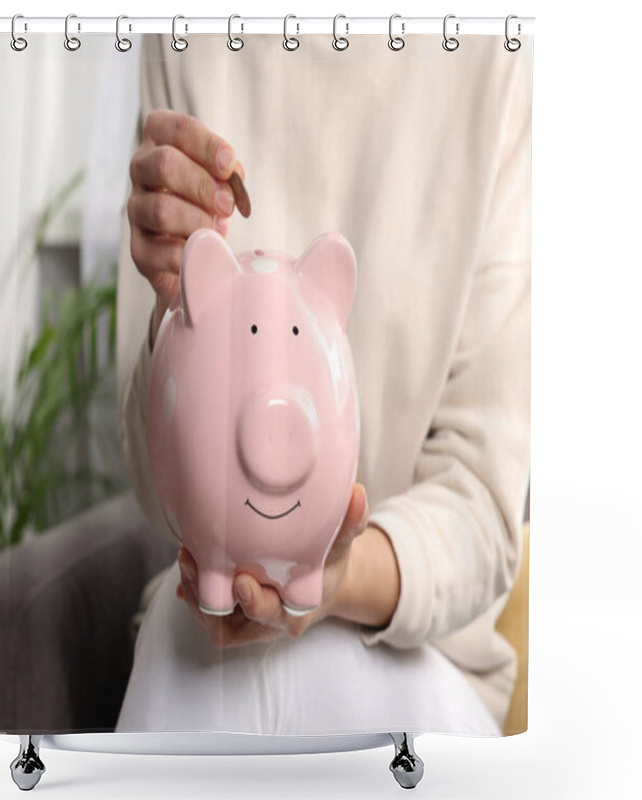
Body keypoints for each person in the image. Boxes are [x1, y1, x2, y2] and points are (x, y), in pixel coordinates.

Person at [114, 32, 530, 737]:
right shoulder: (187, 38)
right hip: (210, 624)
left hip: (421, 647)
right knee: (190, 655)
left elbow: (484, 512)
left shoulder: (497, 57)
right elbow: (157, 487)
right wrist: (173, 310)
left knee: (220, 677)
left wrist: (333, 581)